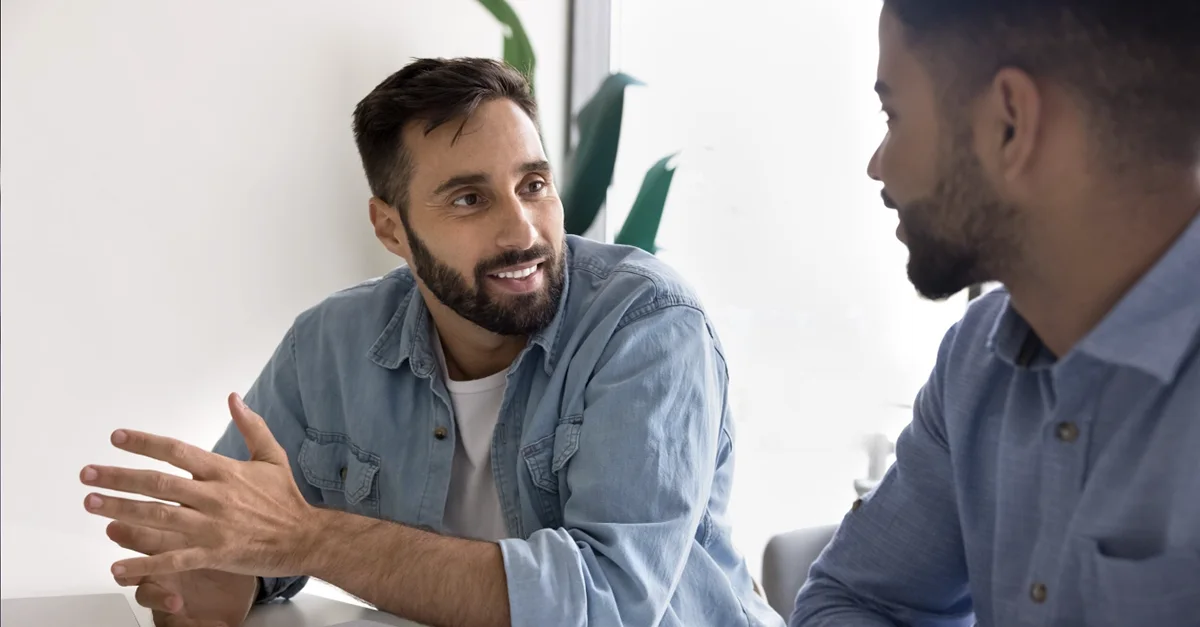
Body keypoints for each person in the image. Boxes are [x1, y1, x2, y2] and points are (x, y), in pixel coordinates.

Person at [79, 57, 783, 627]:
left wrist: (308, 536)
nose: (523, 232)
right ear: (391, 231)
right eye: (470, 199)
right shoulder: (329, 347)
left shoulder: (648, 326)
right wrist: (198, 576)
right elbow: (247, 560)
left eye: (533, 184)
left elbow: (605, 604)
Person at [792, 1, 1200, 626]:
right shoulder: (976, 362)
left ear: (1010, 124)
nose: (880, 167)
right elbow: (851, 599)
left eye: (893, 114)